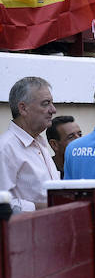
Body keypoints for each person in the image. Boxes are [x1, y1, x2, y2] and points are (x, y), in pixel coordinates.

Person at [0, 76, 59, 212]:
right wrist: (40, 208)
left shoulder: (39, 143)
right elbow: (2, 203)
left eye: (52, 103)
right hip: (25, 231)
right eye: (46, 103)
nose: (53, 110)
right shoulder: (6, 148)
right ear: (23, 108)